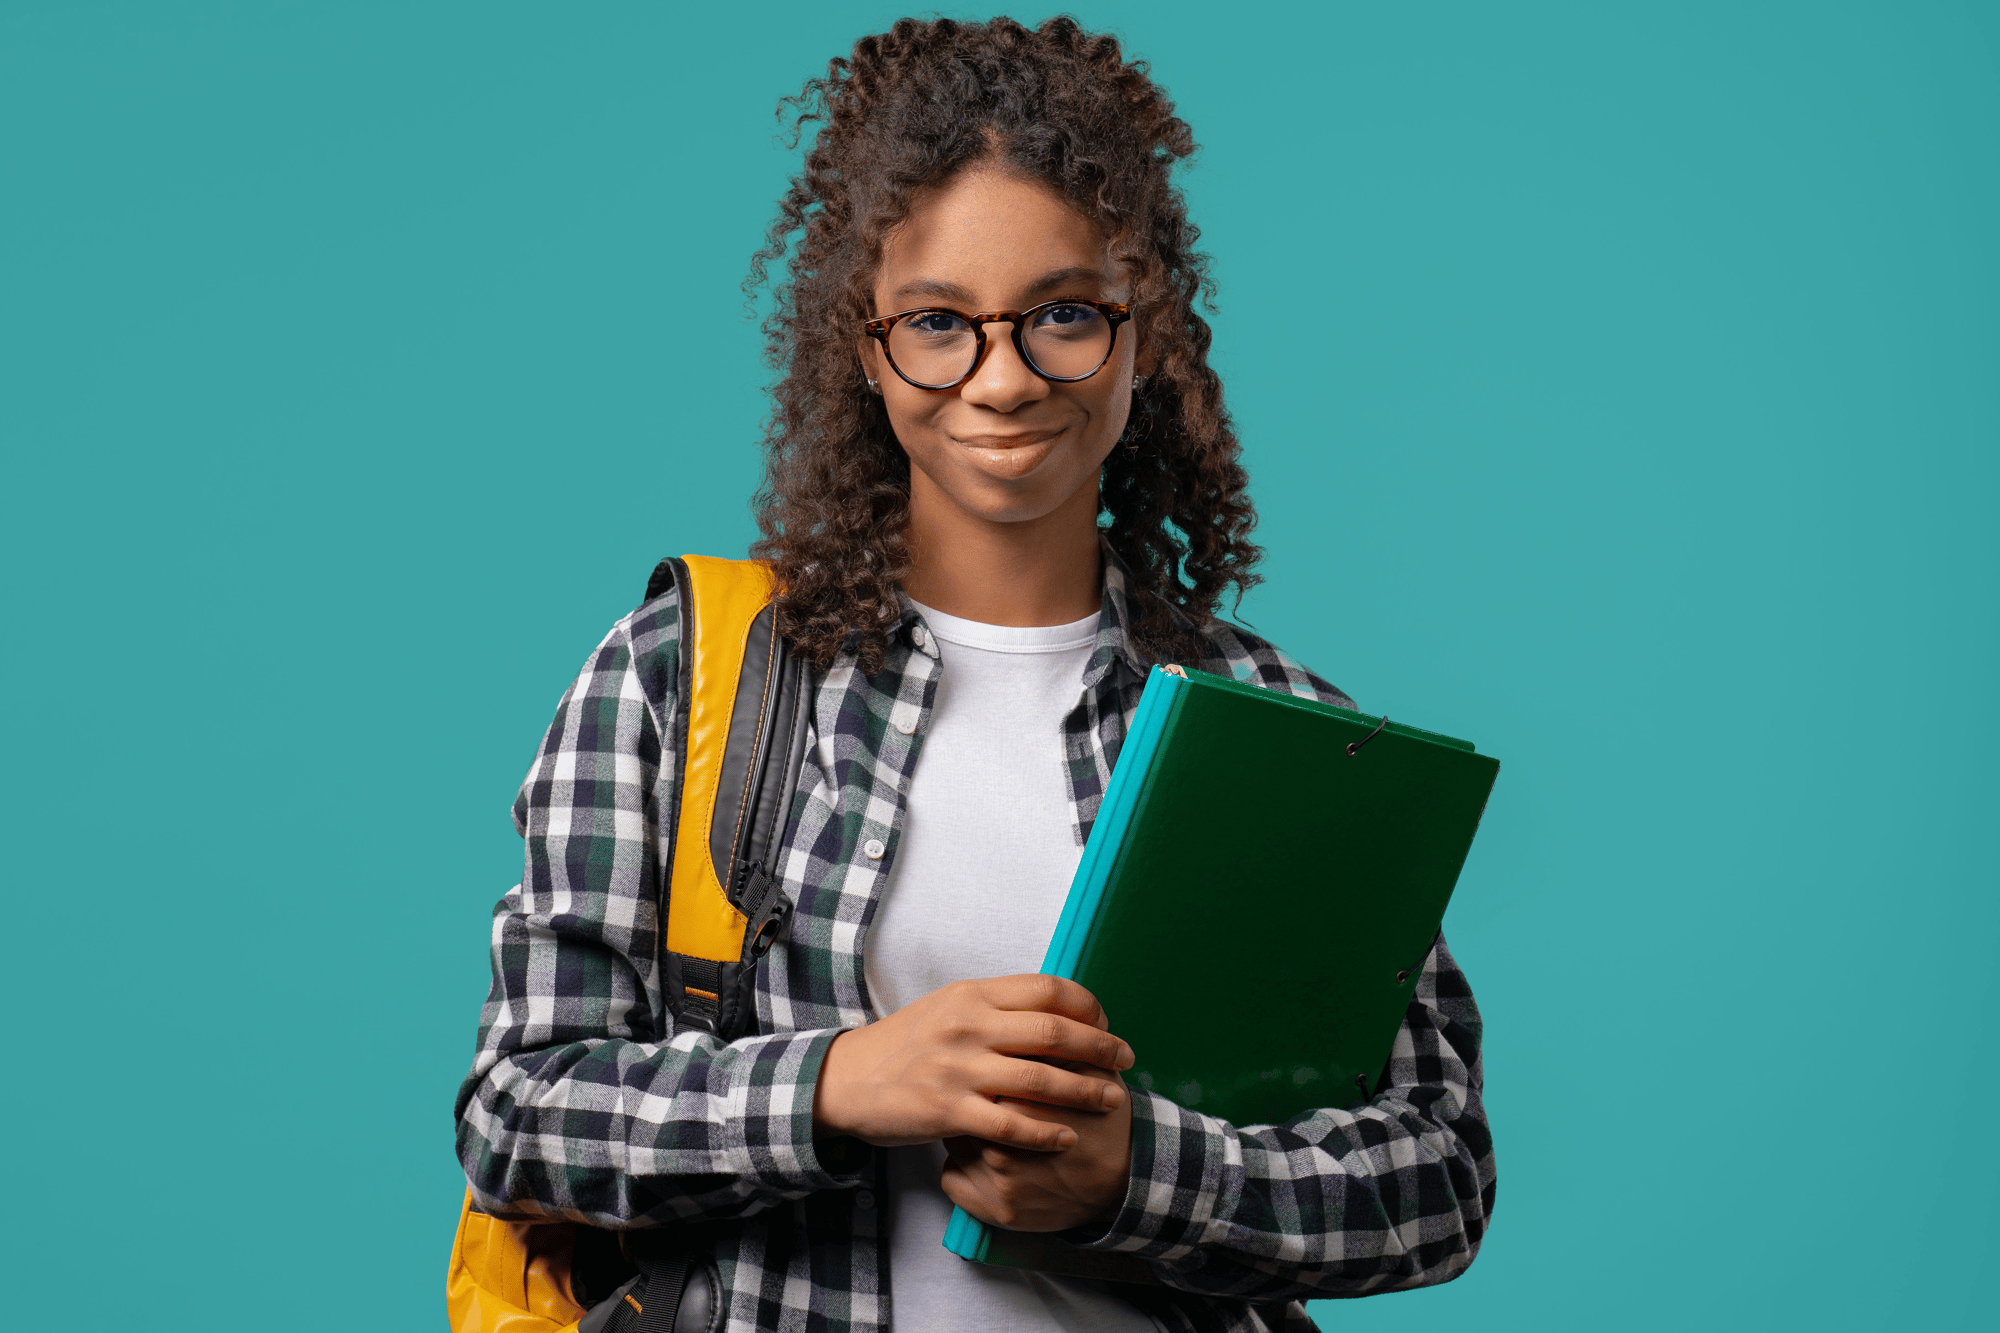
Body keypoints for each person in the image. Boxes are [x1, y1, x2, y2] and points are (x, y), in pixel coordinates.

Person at [455, 16, 1493, 1333]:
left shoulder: (1285, 738)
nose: (1001, 380)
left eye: (1064, 314)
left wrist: (1140, 1176)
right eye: (939, 323)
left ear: (1144, 325)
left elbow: (1440, 1174)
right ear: (868, 342)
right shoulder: (685, 674)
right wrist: (842, 1084)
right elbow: (519, 1113)